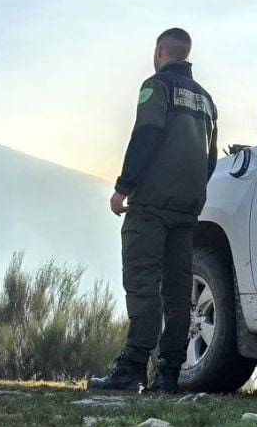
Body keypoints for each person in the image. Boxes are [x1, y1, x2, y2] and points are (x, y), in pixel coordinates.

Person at [87, 27, 219, 394]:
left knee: (143, 282)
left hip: (151, 205)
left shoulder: (156, 87)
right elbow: (209, 160)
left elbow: (145, 134)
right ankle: (169, 374)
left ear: (160, 51)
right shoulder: (206, 100)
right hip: (187, 208)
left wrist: (123, 187)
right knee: (178, 292)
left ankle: (131, 367)